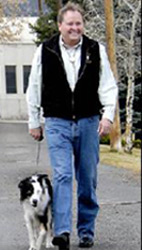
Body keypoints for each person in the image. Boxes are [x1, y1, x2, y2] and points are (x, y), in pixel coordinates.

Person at [26, 2, 118, 249]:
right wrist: (34, 122)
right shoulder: (45, 50)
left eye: (79, 23)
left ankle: (86, 231)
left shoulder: (94, 49)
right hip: (57, 123)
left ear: (83, 25)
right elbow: (34, 87)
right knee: (63, 176)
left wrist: (107, 116)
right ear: (60, 26)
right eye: (70, 24)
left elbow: (107, 85)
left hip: (88, 123)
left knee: (87, 179)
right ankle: (63, 232)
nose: (75, 28)